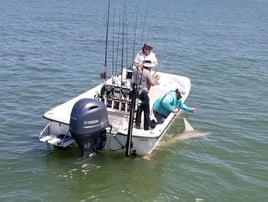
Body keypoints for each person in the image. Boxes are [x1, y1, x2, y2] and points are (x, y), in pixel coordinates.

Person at [133, 61, 158, 130]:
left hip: (136, 92)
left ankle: (137, 125)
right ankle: (146, 128)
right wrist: (155, 78)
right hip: (144, 94)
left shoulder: (136, 70)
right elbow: (152, 83)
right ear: (149, 67)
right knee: (146, 112)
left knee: (139, 109)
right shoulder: (147, 72)